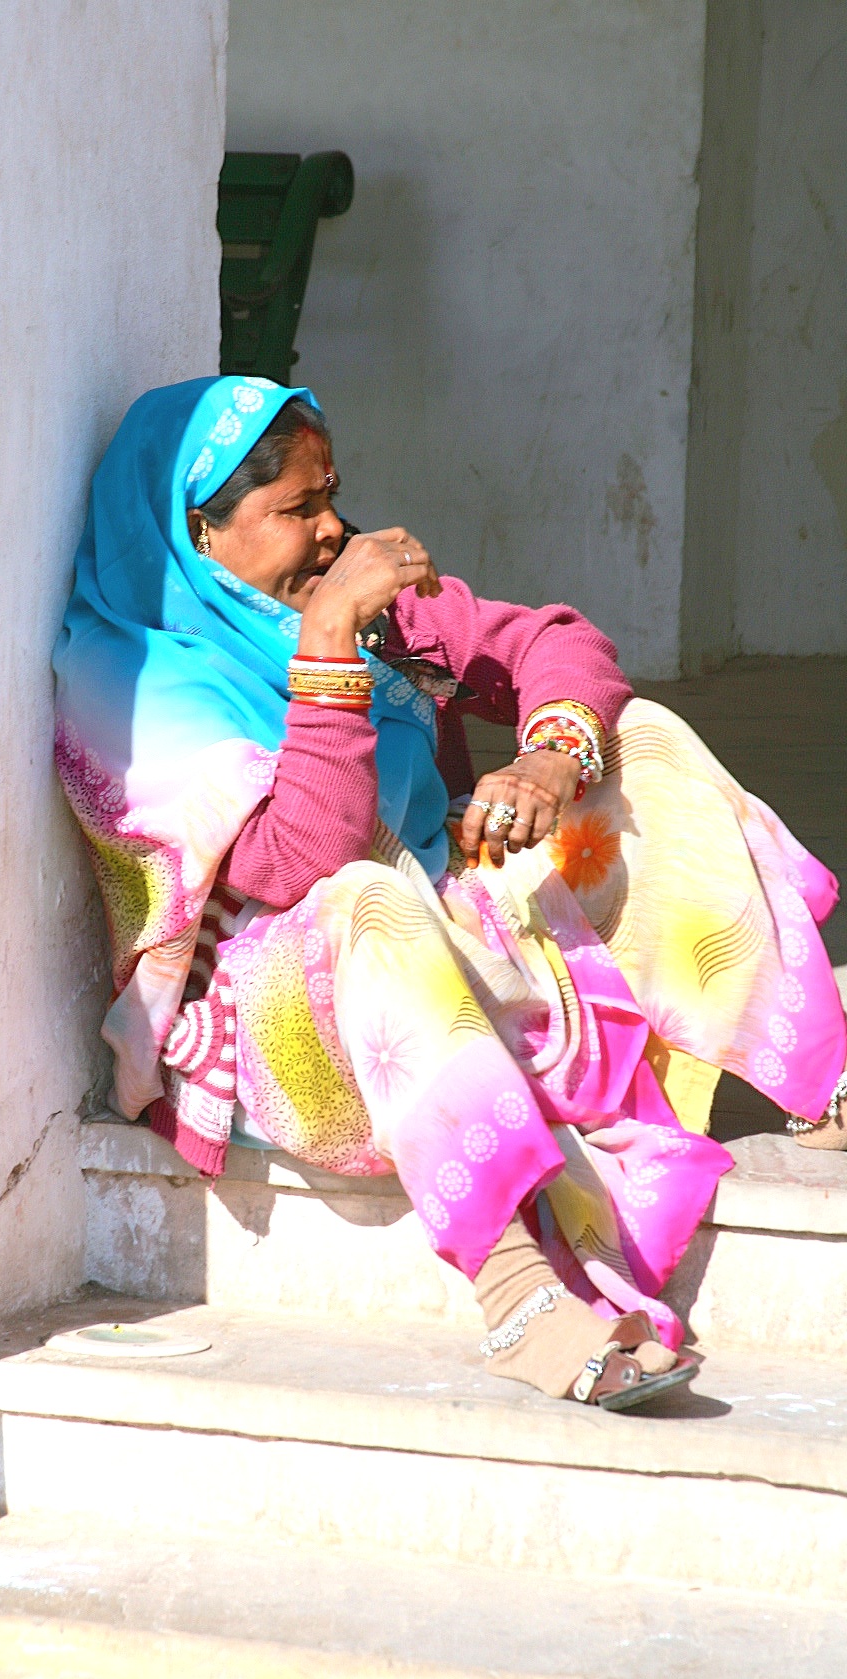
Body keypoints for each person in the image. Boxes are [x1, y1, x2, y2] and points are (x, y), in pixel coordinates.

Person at [53, 376, 847, 1412]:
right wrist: (329, 645)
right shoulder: (135, 687)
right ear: (196, 533)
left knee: (639, 745)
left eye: (330, 494)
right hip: (287, 1014)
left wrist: (550, 762)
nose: (331, 531)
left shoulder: (348, 598)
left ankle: (819, 1080)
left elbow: (551, 641)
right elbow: (307, 860)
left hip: (439, 928)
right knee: (367, 901)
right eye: (296, 512)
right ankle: (521, 1296)